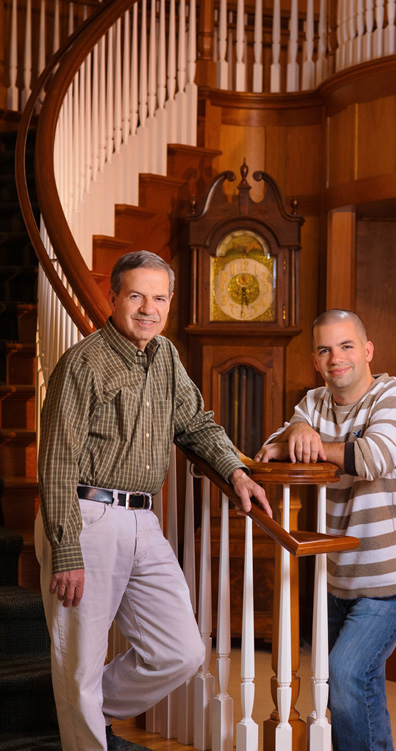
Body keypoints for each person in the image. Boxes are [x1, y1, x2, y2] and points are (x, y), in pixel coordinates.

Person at [35, 250, 272, 751]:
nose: (149, 308)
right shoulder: (83, 362)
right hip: (85, 515)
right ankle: (82, 721)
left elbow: (195, 423)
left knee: (180, 651)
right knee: (79, 663)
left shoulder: (165, 356)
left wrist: (235, 470)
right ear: (113, 297)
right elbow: (56, 459)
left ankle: (83, 713)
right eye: (137, 296)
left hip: (143, 518)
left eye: (159, 298)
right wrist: (66, 549)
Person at [255, 309, 396, 751]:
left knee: (347, 674)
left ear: (367, 350)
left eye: (347, 346)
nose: (337, 358)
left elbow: (373, 458)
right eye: (325, 350)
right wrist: (297, 428)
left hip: (392, 579)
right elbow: (271, 449)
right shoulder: (313, 404)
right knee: (349, 686)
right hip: (337, 578)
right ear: (315, 361)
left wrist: (311, 445)